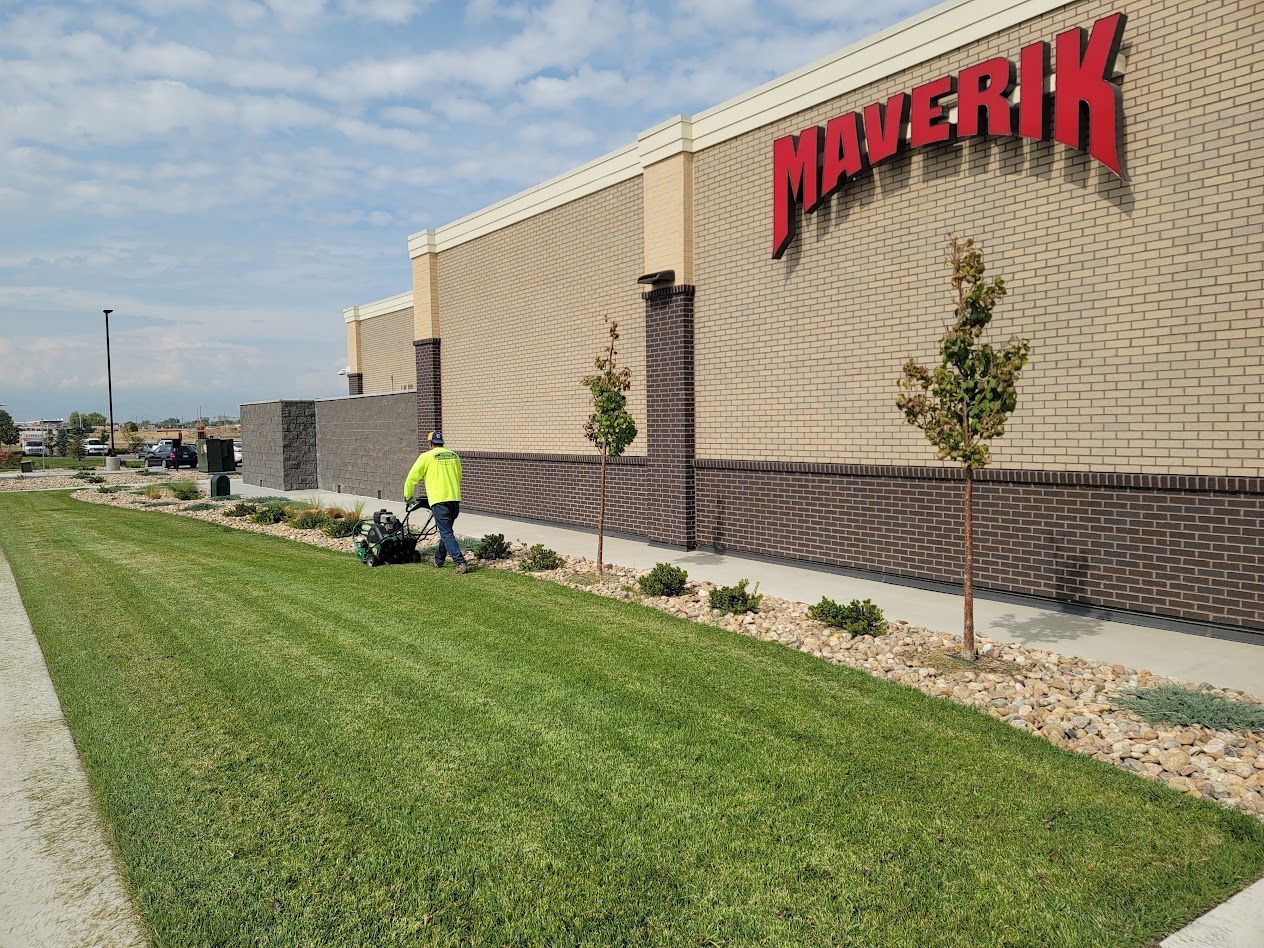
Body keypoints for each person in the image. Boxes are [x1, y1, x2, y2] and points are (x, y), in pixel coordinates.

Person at [403, 430, 467, 573]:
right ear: (442, 443)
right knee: (447, 531)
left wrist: (408, 496)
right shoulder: (454, 455)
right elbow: (459, 477)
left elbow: (411, 478)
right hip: (454, 499)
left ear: (430, 443)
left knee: (446, 533)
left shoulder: (426, 457)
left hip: (439, 500)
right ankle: (438, 560)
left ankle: (460, 562)